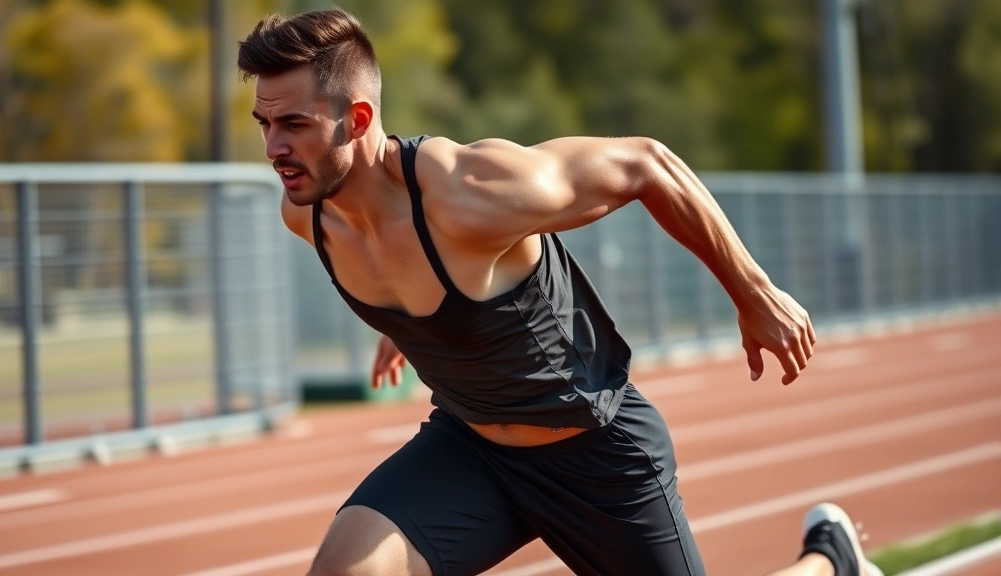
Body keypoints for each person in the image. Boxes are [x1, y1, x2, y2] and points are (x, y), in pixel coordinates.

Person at [236, 9, 881, 576]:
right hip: (470, 452)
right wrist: (404, 327)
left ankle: (831, 561)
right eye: (264, 123)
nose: (274, 148)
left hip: (596, 453)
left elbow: (644, 163)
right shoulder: (309, 214)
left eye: (293, 124)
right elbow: (411, 267)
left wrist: (753, 290)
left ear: (358, 118)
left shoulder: (470, 193)